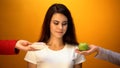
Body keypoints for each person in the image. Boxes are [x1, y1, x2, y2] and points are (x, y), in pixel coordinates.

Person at [24, 3, 86, 68]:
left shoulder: (76, 50)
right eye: (56, 23)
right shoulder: (34, 49)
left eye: (64, 24)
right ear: (48, 23)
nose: (60, 27)